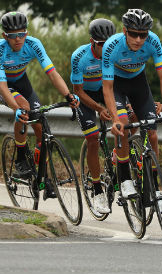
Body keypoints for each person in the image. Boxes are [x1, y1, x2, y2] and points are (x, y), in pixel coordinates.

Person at [102, 8, 162, 208]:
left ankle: (154, 186)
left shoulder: (153, 41)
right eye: (133, 34)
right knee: (124, 124)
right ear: (124, 31)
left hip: (138, 82)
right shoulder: (112, 46)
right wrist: (114, 119)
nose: (138, 39)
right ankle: (125, 178)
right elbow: (107, 88)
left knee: (152, 132)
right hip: (116, 83)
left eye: (142, 35)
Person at [0, 11, 79, 198]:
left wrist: (68, 95)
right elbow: (2, 87)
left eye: (22, 34)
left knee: (41, 127)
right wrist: (17, 109)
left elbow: (52, 73)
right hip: (3, 86)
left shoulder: (33, 44)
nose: (18, 39)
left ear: (27, 33)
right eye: (13, 36)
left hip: (22, 82)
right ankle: (20, 157)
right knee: (23, 106)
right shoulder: (1, 50)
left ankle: (41, 176)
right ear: (5, 36)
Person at [70, 18, 116, 213]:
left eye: (109, 44)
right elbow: (78, 91)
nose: (106, 48)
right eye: (101, 45)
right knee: (93, 139)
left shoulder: (116, 53)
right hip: (86, 96)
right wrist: (99, 109)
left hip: (107, 91)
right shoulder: (79, 57)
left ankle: (116, 156)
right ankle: (97, 191)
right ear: (92, 42)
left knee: (132, 117)